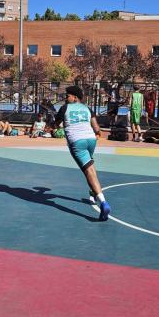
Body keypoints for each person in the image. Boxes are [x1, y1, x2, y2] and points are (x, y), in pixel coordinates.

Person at [54, 86, 110, 221]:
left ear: (74, 97)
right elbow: (97, 128)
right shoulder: (87, 109)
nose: (66, 98)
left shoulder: (65, 108)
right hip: (91, 140)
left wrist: (53, 128)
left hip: (77, 141)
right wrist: (96, 134)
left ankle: (103, 202)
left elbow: (56, 124)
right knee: (90, 166)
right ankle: (92, 192)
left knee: (88, 171)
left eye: (68, 96)